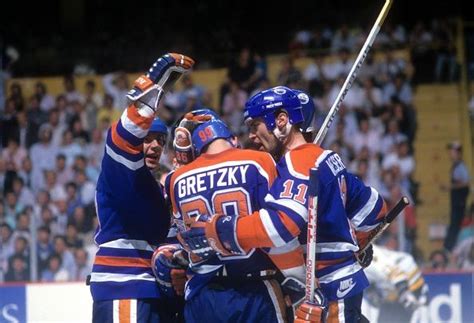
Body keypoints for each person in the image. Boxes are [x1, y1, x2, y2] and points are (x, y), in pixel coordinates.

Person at [180, 86, 388, 322]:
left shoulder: (298, 162)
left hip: (326, 289)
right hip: (341, 282)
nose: (252, 136)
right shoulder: (325, 158)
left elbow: (279, 226)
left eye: (255, 125)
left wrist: (219, 228)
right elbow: (374, 209)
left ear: (281, 120)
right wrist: (356, 244)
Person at [161, 108, 304, 322]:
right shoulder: (259, 162)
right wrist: (298, 281)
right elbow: (279, 231)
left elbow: (183, 238)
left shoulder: (176, 179)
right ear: (228, 135)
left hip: (202, 295)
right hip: (256, 290)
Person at [89, 53, 194, 323]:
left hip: (155, 292)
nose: (156, 146)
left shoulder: (159, 189)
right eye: (148, 139)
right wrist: (146, 103)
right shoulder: (119, 171)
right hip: (125, 286)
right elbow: (121, 142)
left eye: (161, 140)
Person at [363, 244, 428, 323]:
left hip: (409, 280)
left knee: (400, 319)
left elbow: (396, 273)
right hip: (390, 286)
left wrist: (405, 294)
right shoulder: (356, 259)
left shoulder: (371, 258)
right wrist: (371, 292)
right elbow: (368, 280)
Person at [441, 141, 470, 252]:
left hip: (459, 201)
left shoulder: (461, 166)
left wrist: (450, 186)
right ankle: (449, 247)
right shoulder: (457, 166)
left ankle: (449, 248)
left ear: (458, 153)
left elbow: (466, 182)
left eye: (452, 151)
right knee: (454, 223)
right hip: (457, 201)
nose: (450, 153)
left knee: (455, 224)